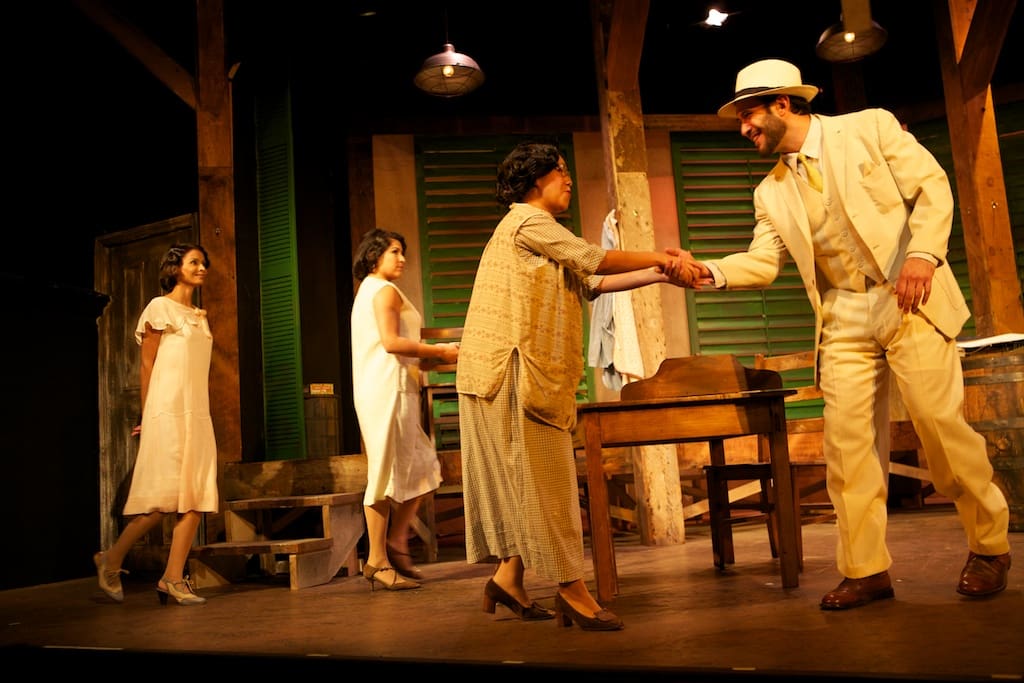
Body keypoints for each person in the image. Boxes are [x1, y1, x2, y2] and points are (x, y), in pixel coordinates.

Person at [676, 59, 1011, 610]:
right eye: (740, 119)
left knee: (941, 429)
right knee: (848, 449)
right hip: (842, 313)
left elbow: (932, 188)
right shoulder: (770, 192)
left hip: (909, 295)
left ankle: (990, 546)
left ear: (783, 103)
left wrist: (924, 254)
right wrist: (706, 271)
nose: (744, 128)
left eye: (749, 114)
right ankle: (866, 569)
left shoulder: (868, 127)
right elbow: (764, 262)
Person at [456, 141, 697, 631]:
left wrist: (660, 274)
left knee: (530, 481)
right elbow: (594, 259)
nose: (567, 179)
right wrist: (665, 254)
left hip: (503, 374)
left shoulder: (539, 232)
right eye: (559, 170)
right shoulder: (527, 220)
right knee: (548, 482)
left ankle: (508, 578)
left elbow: (593, 282)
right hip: (511, 374)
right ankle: (571, 588)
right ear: (534, 181)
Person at [93, 243, 218, 606]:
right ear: (175, 268)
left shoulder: (200, 315)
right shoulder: (159, 308)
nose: (202, 268)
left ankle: (172, 578)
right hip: (166, 411)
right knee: (162, 500)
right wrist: (146, 414)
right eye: (194, 262)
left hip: (197, 413)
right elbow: (147, 365)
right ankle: (111, 559)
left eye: (204, 263)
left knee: (196, 497)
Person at [351, 228, 460, 591]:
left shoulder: (374, 290)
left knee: (425, 467)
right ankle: (377, 560)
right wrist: (440, 350)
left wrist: (440, 359)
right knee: (383, 475)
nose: (402, 258)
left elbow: (402, 351)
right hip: (387, 392)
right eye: (394, 251)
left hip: (398, 388)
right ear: (374, 256)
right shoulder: (382, 290)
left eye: (403, 251)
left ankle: (397, 541)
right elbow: (391, 343)